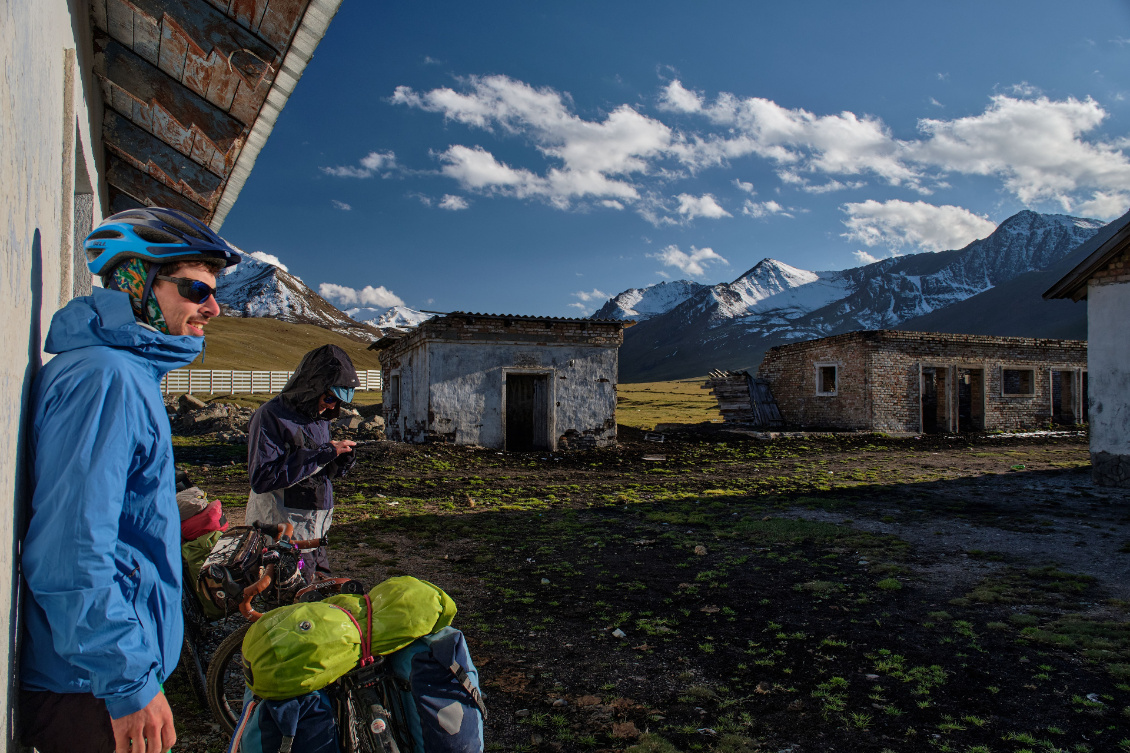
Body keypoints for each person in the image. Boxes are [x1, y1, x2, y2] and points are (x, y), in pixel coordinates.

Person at [19, 207, 240, 753]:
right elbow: (71, 552)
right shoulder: (107, 379)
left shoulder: (121, 373)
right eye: (195, 289)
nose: (211, 307)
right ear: (137, 281)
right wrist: (128, 682)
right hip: (88, 689)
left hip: (89, 677)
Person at [246, 344, 360, 580]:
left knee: (318, 593)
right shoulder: (271, 416)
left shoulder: (320, 418)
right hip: (283, 529)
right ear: (311, 387)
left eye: (339, 402)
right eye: (330, 398)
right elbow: (263, 477)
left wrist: (339, 460)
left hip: (315, 531)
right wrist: (323, 454)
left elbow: (314, 473)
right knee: (293, 600)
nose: (332, 407)